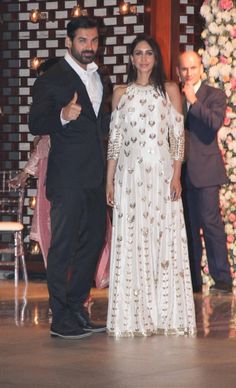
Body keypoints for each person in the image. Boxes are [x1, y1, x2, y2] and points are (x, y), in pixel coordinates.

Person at [106, 34, 196, 337]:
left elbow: (178, 138)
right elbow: (115, 142)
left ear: (155, 58)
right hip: (128, 180)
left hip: (159, 177)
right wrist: (109, 180)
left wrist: (176, 175)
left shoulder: (169, 90)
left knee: (162, 240)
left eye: (148, 53)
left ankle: (165, 313)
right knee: (132, 241)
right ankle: (134, 315)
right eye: (137, 53)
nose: (143, 58)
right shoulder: (120, 93)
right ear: (131, 59)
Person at [29, 16, 110, 339]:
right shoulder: (53, 77)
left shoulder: (99, 76)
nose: (89, 47)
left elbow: (100, 126)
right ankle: (59, 314)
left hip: (96, 177)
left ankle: (77, 308)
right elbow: (36, 122)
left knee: (92, 244)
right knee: (62, 247)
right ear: (68, 42)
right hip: (67, 178)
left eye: (93, 41)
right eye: (83, 41)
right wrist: (62, 115)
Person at [176, 51, 232, 294]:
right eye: (184, 69)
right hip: (181, 171)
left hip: (206, 171)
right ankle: (193, 281)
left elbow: (214, 123)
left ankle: (222, 280)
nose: (189, 73)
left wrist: (193, 102)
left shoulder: (214, 95)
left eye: (193, 68)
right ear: (178, 72)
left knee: (211, 225)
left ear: (201, 69)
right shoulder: (173, 97)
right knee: (187, 227)